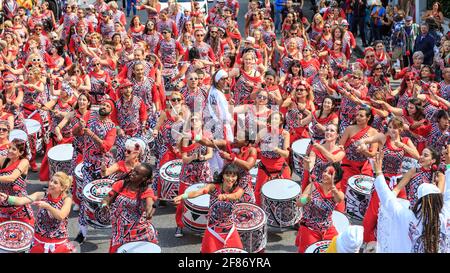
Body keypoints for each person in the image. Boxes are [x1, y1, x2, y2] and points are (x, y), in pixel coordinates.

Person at [371, 147, 450, 253]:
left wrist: (379, 172)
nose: (421, 157)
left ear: (433, 160)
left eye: (425, 155)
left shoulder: (409, 218)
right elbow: (397, 189)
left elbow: (389, 201)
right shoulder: (445, 216)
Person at [174, 163, 244, 253]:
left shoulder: (239, 190)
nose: (230, 179)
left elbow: (235, 196)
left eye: (233, 176)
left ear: (237, 178)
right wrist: (182, 196)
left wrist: (225, 196)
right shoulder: (213, 187)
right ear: (223, 175)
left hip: (229, 229)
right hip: (212, 229)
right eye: (228, 175)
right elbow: (197, 192)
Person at [0, 172, 75, 253]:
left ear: (62, 188)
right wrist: (7, 198)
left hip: (58, 243)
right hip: (39, 240)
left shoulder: (66, 200)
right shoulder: (41, 195)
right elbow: (21, 200)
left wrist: (48, 206)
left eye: (55, 182)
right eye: (51, 180)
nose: (51, 183)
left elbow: (61, 216)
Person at [75, 100, 117, 244]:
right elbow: (75, 133)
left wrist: (91, 134)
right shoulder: (90, 117)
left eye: (107, 106)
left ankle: (111, 227)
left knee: (106, 198)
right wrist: (80, 127)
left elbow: (106, 147)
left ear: (111, 111)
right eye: (103, 104)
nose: (104, 107)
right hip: (88, 165)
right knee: (85, 197)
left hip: (104, 167)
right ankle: (82, 230)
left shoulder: (111, 127)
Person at [102, 163, 158, 253]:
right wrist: (104, 205)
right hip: (119, 230)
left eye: (137, 173)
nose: (132, 173)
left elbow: (149, 204)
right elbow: (106, 199)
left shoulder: (146, 191)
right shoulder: (121, 184)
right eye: (133, 170)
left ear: (144, 178)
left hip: (137, 232)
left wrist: (149, 212)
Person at [174, 114, 213, 237]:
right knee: (183, 199)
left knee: (206, 198)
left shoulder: (206, 136)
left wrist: (203, 157)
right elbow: (184, 159)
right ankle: (179, 225)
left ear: (201, 122)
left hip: (203, 169)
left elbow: (210, 154)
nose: (194, 122)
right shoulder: (186, 138)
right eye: (192, 120)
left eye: (197, 120)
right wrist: (192, 157)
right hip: (189, 170)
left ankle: (205, 226)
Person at [295, 162, 345, 253]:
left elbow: (339, 199)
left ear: (336, 178)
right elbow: (298, 203)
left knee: (339, 247)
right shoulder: (313, 186)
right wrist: (305, 199)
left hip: (328, 229)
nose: (325, 174)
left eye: (329, 173)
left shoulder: (337, 193)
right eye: (324, 171)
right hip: (310, 228)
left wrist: (334, 190)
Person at [0, 139, 33, 225]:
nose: (10, 150)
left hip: (19, 207)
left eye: (14, 149)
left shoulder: (24, 162)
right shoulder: (3, 161)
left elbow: (12, 177)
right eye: (9, 147)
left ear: (21, 153)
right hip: (3, 207)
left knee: (24, 236)